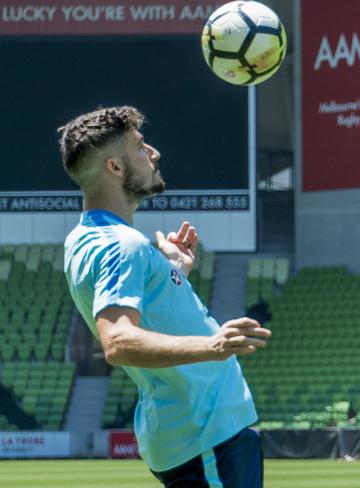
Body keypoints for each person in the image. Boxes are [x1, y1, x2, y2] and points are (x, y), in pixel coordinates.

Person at [59, 106, 271, 487]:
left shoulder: (86, 237)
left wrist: (173, 272)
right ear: (115, 168)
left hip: (198, 432)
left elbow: (148, 311)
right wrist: (213, 345)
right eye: (140, 147)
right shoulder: (121, 245)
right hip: (204, 435)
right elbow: (119, 342)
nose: (153, 152)